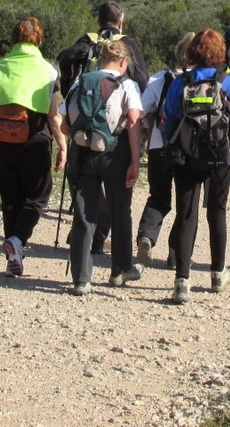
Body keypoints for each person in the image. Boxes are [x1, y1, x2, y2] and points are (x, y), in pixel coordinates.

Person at [162, 28, 230, 304]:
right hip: (220, 156)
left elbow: (170, 118)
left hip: (188, 157)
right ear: (219, 53)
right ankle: (217, 274)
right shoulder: (228, 83)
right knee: (217, 213)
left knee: (187, 215)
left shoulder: (181, 82)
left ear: (193, 52)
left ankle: (182, 281)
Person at [0, 16, 67, 277]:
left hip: (2, 140)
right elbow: (53, 115)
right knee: (38, 195)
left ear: (14, 39)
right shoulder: (49, 71)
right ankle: (17, 240)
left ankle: (13, 255)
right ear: (38, 39)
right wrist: (63, 145)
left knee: (10, 198)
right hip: (34, 140)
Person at [58, 0, 149, 255]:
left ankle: (88, 235)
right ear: (121, 21)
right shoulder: (127, 45)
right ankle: (105, 242)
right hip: (115, 132)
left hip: (81, 127)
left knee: (87, 184)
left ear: (98, 21)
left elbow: (66, 70)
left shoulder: (85, 42)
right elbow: (142, 80)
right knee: (116, 188)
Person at [62, 39, 144, 296]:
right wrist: (134, 161)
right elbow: (133, 121)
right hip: (115, 154)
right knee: (120, 210)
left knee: (84, 216)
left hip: (83, 154)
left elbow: (63, 122)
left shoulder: (80, 83)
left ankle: (81, 278)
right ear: (124, 62)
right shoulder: (127, 84)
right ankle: (120, 270)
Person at [134, 32, 195, 269]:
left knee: (158, 196)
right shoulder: (203, 82)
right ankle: (176, 253)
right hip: (188, 150)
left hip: (160, 147)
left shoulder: (160, 79)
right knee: (185, 203)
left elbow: (138, 109)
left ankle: (146, 236)